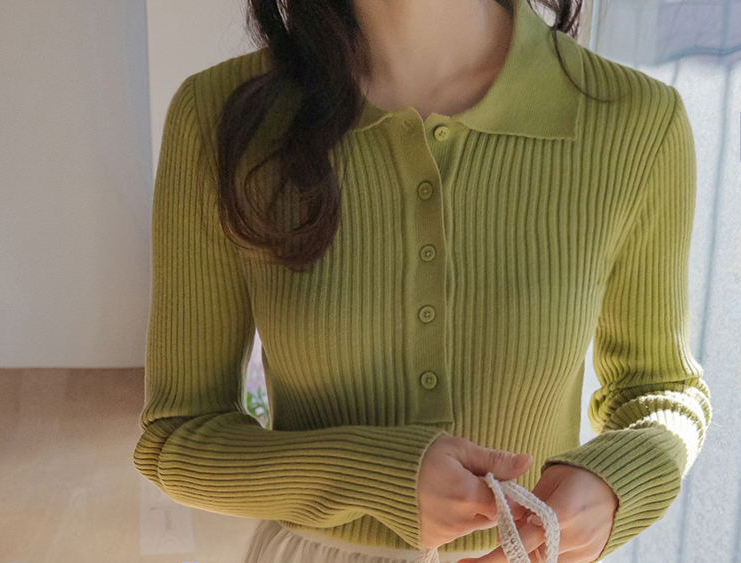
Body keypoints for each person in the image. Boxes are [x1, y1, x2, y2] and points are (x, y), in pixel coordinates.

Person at [132, 0, 713, 562]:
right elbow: (177, 436)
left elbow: (661, 390)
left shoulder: (637, 123)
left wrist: (613, 485)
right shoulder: (218, 116)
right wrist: (374, 475)